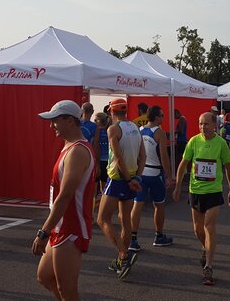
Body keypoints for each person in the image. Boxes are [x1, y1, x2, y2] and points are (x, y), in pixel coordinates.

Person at [33, 100, 96, 301]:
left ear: (70, 121)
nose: (51, 125)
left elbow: (66, 196)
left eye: (55, 120)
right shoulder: (69, 147)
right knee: (44, 277)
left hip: (71, 227)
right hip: (61, 225)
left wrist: (43, 231)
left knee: (67, 289)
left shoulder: (77, 151)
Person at [173, 112, 230, 286]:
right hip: (196, 191)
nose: (202, 127)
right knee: (197, 230)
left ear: (214, 125)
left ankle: (208, 266)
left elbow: (228, 168)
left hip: (213, 191)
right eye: (200, 124)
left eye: (206, 124)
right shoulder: (193, 141)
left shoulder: (221, 143)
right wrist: (178, 186)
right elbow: (183, 164)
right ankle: (205, 247)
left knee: (209, 226)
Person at [97, 98, 146, 280]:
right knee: (124, 220)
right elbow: (143, 155)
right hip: (132, 177)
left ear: (111, 111)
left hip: (117, 178)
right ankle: (120, 262)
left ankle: (123, 255)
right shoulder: (135, 127)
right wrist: (136, 178)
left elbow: (117, 158)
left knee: (102, 219)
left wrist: (127, 179)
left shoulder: (113, 129)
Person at [129, 105, 173, 251]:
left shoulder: (139, 130)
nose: (163, 118)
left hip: (141, 173)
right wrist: (169, 176)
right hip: (155, 174)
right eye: (162, 116)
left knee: (137, 205)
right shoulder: (159, 132)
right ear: (156, 117)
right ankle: (159, 236)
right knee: (159, 205)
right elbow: (164, 157)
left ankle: (132, 238)